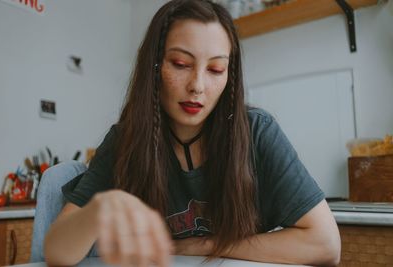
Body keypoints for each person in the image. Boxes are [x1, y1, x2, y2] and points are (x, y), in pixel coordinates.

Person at [44, 0, 341, 266]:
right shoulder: (126, 140)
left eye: (215, 70)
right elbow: (57, 253)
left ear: (230, 75)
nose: (198, 86)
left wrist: (203, 245)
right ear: (155, 65)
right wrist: (99, 207)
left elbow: (326, 245)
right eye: (181, 64)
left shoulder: (257, 133)